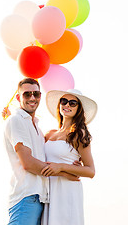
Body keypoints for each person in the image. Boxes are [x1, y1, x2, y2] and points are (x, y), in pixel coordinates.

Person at [3, 78, 80, 225]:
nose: (32, 98)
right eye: (27, 94)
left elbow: (51, 153)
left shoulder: (37, 128)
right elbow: (28, 163)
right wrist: (66, 173)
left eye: (36, 94)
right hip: (26, 198)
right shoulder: (16, 120)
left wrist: (71, 161)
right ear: (18, 98)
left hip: (40, 198)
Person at [41, 89, 97, 225]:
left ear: (78, 109)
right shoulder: (49, 134)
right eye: (64, 101)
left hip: (67, 191)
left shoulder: (78, 134)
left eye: (73, 103)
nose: (67, 105)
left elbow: (90, 171)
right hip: (48, 190)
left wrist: (61, 167)